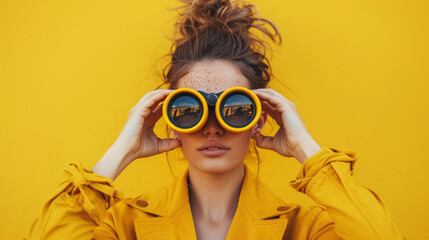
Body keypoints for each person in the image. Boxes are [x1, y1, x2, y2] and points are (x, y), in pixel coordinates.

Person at [25, 0, 406, 239]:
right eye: (189, 109)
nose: (212, 125)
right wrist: (122, 150)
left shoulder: (302, 228)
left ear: (260, 118)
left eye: (235, 108)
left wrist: (306, 149)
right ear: (169, 118)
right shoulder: (127, 226)